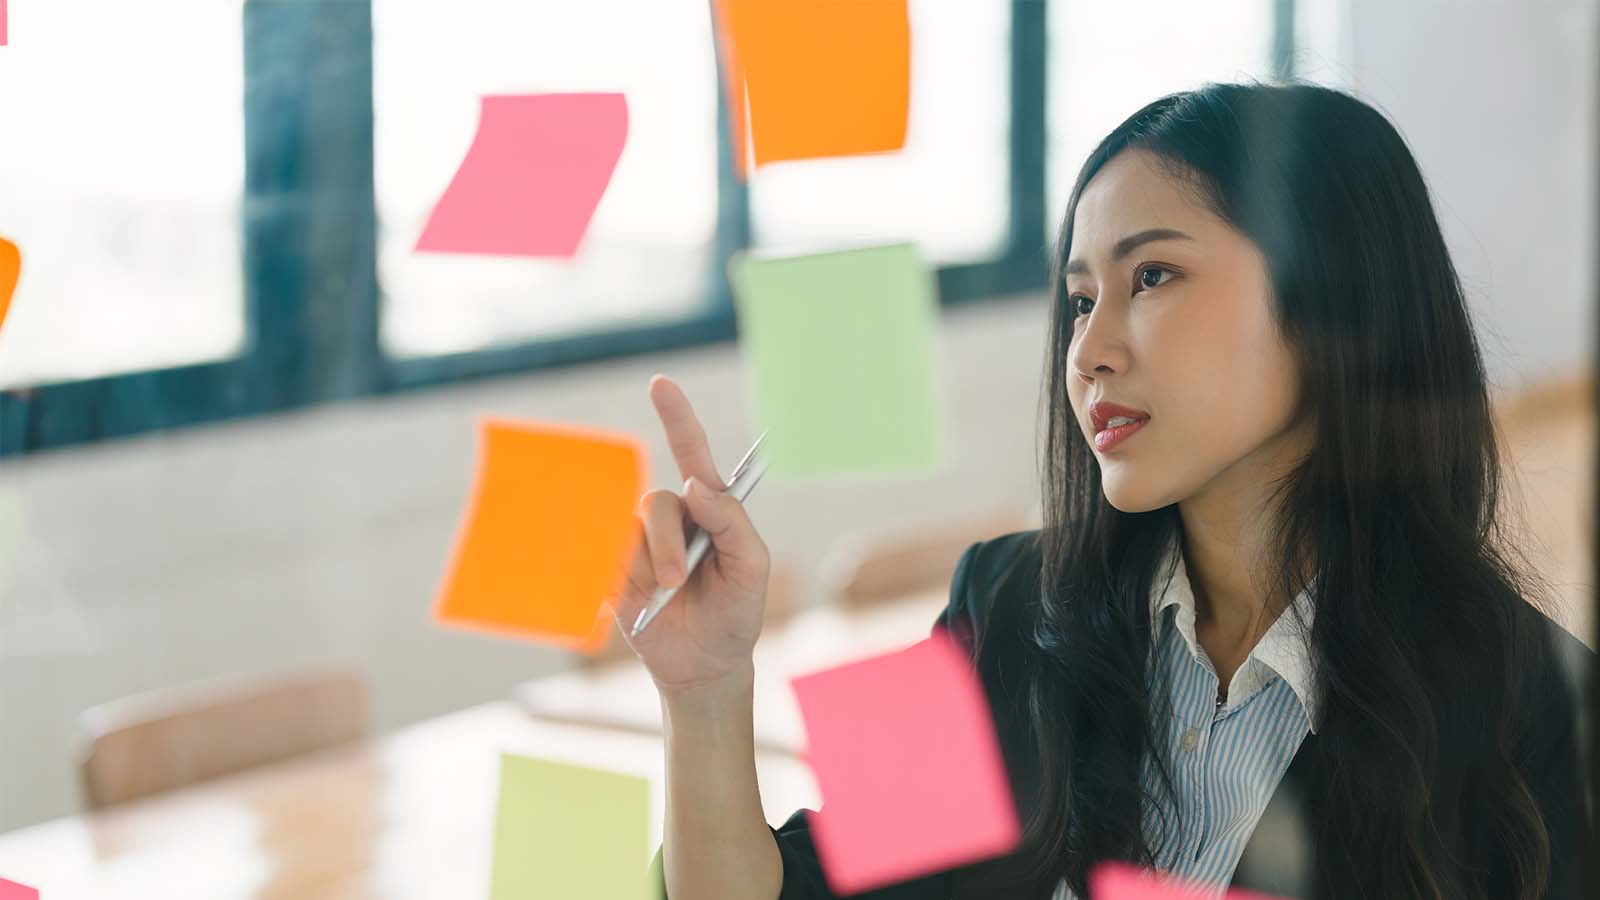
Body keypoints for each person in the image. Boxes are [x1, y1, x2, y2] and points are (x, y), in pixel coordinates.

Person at [611, 80, 1596, 900]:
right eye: (1080, 300)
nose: (1088, 350)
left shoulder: (1541, 709)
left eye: (1153, 276)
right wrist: (702, 699)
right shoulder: (992, 601)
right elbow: (796, 886)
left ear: (1335, 304)